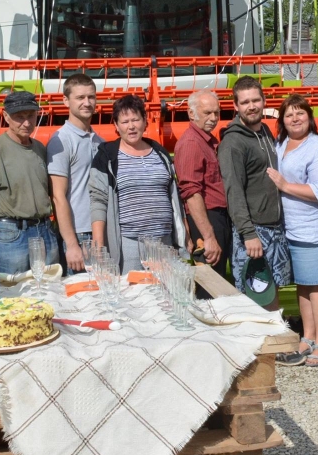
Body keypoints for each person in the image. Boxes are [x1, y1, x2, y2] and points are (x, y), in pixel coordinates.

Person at [267, 95, 318, 367]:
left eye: (300, 113)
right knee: (304, 284)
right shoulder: (281, 144)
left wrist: (285, 186)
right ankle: (308, 337)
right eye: (289, 115)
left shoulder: (317, 147)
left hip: (317, 227)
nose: (295, 118)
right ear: (282, 121)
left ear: (309, 117)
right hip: (292, 228)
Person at [89, 94, 187, 272]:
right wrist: (99, 245)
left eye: (136, 120)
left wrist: (184, 233)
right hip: (129, 245)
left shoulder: (161, 153)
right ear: (116, 126)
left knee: (165, 294)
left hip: (164, 242)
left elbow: (174, 197)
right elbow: (98, 201)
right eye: (125, 122)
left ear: (145, 122)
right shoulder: (107, 156)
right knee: (132, 295)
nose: (131, 126)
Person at [218, 76, 292, 311]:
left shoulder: (266, 132)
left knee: (272, 293)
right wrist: (248, 234)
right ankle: (256, 346)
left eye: (256, 100)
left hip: (274, 226)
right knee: (255, 295)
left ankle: (273, 345)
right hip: (254, 230)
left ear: (264, 100)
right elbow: (234, 191)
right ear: (236, 106)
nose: (251, 106)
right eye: (245, 102)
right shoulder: (233, 142)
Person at [0, 91, 58, 272]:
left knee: (50, 291)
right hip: (10, 235)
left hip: (43, 230)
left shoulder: (40, 149)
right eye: (19, 117)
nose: (27, 123)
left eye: (31, 115)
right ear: (6, 117)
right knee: (14, 293)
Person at [47, 73, 104, 272]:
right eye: (80, 98)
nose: (87, 103)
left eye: (91, 97)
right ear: (66, 101)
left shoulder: (99, 140)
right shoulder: (61, 140)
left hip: (100, 230)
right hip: (79, 234)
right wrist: (71, 244)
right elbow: (58, 196)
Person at [174, 89, 230, 275]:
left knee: (218, 280)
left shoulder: (206, 140)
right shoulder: (192, 143)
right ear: (191, 113)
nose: (213, 118)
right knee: (211, 285)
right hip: (207, 219)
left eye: (216, 112)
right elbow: (191, 193)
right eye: (207, 113)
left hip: (215, 218)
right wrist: (208, 236)